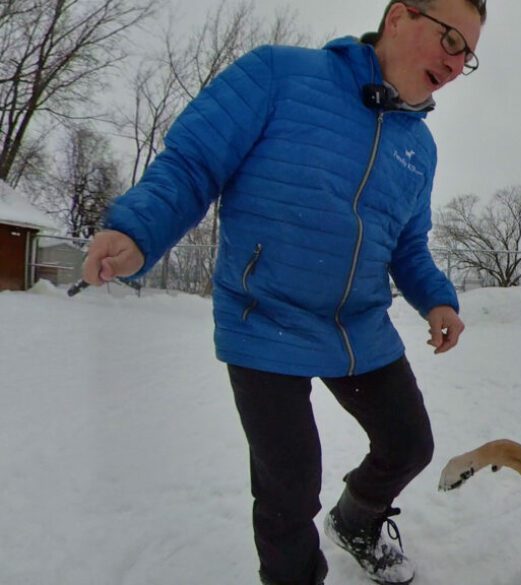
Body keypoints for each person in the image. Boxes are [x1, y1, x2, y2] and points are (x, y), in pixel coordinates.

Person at [80, 1, 485, 584]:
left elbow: (408, 244)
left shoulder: (418, 148)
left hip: (358, 327)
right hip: (263, 317)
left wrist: (438, 299)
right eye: (451, 39)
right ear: (399, 17)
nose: (456, 62)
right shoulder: (278, 75)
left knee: (409, 443)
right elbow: (194, 164)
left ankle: (356, 520)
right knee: (289, 489)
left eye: (468, 55)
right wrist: (138, 229)